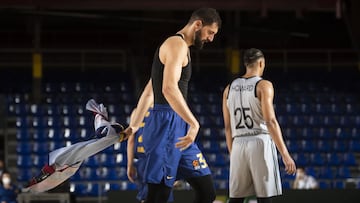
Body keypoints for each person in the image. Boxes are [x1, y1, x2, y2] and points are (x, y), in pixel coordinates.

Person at [123, 7, 222, 203]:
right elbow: (168, 88)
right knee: (159, 195)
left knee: (206, 192)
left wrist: (134, 126)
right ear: (198, 24)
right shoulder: (177, 45)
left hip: (176, 125)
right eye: (210, 32)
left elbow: (149, 91)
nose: (211, 39)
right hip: (167, 123)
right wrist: (194, 123)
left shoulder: (178, 46)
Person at [222, 48, 297, 203]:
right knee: (264, 196)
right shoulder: (264, 85)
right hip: (259, 141)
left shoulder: (228, 89)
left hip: (237, 143)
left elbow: (228, 127)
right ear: (261, 63)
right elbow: (270, 121)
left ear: (245, 64)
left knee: (236, 198)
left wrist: (232, 153)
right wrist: (284, 153)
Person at [23, 99, 127, 193]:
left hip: (75, 156)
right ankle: (36, 182)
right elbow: (104, 125)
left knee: (58, 167)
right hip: (74, 156)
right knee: (58, 166)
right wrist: (123, 135)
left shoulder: (106, 130)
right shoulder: (108, 131)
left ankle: (36, 182)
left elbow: (101, 120)